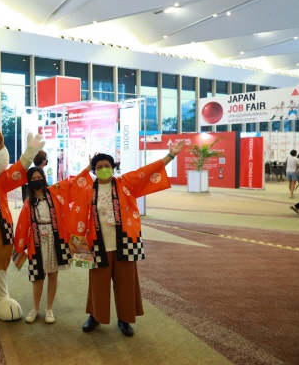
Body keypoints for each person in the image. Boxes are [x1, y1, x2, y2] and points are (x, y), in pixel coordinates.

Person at [70, 140, 185, 337]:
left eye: (107, 166)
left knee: (126, 283)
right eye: (99, 167)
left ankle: (124, 318)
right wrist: (75, 241)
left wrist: (171, 155)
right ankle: (95, 316)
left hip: (125, 243)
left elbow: (147, 172)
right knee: (97, 283)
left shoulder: (125, 184)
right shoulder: (87, 190)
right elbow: (78, 215)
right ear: (94, 170)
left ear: (113, 167)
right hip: (98, 245)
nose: (103, 169)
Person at [14, 167, 72, 325]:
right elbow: (22, 225)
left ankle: (49, 309)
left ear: (44, 178)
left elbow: (71, 184)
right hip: (36, 240)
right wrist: (19, 248)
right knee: (37, 277)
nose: (36, 181)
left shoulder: (53, 194)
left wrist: (88, 169)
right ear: (29, 182)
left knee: (53, 274)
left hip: (54, 239)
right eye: (33, 179)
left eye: (39, 177)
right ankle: (35, 309)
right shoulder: (29, 203)